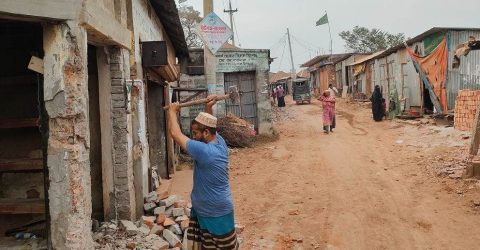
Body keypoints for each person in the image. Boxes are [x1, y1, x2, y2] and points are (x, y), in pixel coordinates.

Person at [167, 96, 239, 249]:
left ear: (206, 133)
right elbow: (210, 125)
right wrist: (208, 108)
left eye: (195, 133)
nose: (193, 137)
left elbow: (174, 133)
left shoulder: (204, 151)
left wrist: (172, 111)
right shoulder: (219, 142)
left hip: (215, 213)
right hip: (209, 210)